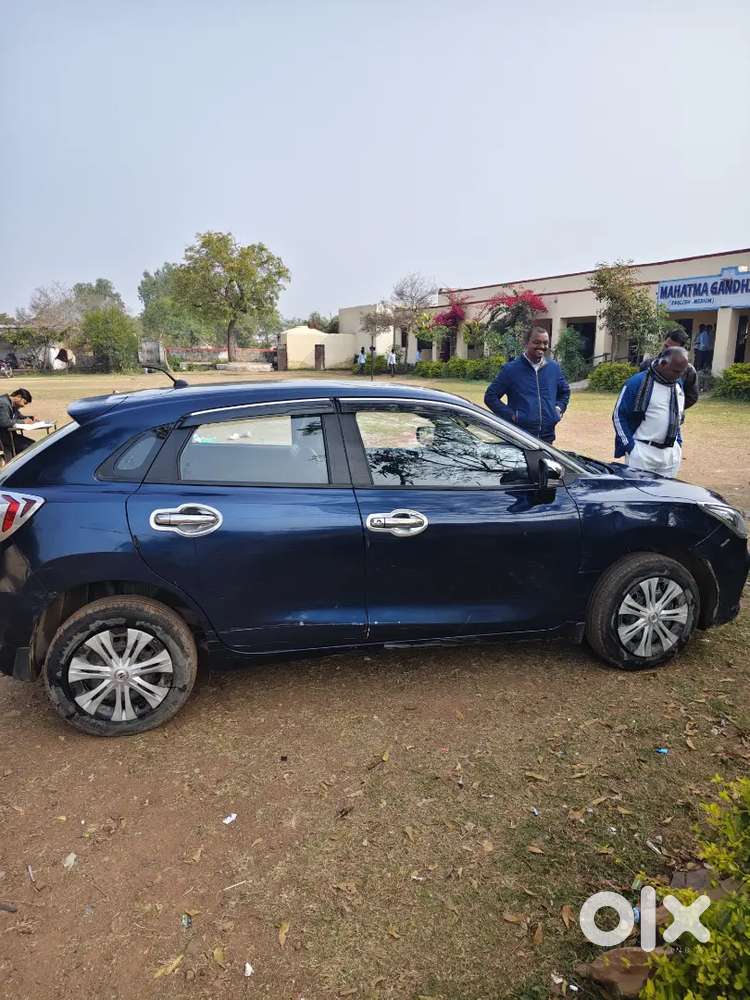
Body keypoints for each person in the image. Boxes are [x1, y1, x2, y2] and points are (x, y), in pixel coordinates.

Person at [484, 327, 570, 443]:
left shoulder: (553, 367)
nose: (542, 346)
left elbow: (565, 391)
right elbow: (490, 397)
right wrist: (512, 416)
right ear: (526, 343)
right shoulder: (511, 369)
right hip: (520, 436)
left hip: (547, 437)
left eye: (545, 343)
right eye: (537, 342)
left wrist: (558, 409)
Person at [613, 348, 689, 479]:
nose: (679, 376)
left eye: (682, 372)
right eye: (676, 371)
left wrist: (678, 443)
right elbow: (619, 416)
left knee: (665, 497)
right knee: (638, 498)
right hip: (642, 452)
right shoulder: (637, 383)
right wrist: (630, 447)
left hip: (670, 454)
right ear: (663, 364)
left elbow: (677, 416)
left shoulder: (677, 384)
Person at [639, 328, 698, 408]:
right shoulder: (647, 365)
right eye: (666, 346)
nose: (666, 350)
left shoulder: (689, 371)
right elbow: (638, 391)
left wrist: (672, 408)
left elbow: (692, 397)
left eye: (671, 349)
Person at [0, 387, 34, 460]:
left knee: (34, 445)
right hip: (3, 439)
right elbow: (4, 422)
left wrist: (31, 418)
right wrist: (24, 422)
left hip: (9, 437)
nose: (23, 406)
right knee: (30, 447)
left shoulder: (12, 405)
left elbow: (20, 417)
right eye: (24, 403)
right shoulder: (3, 403)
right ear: (18, 397)